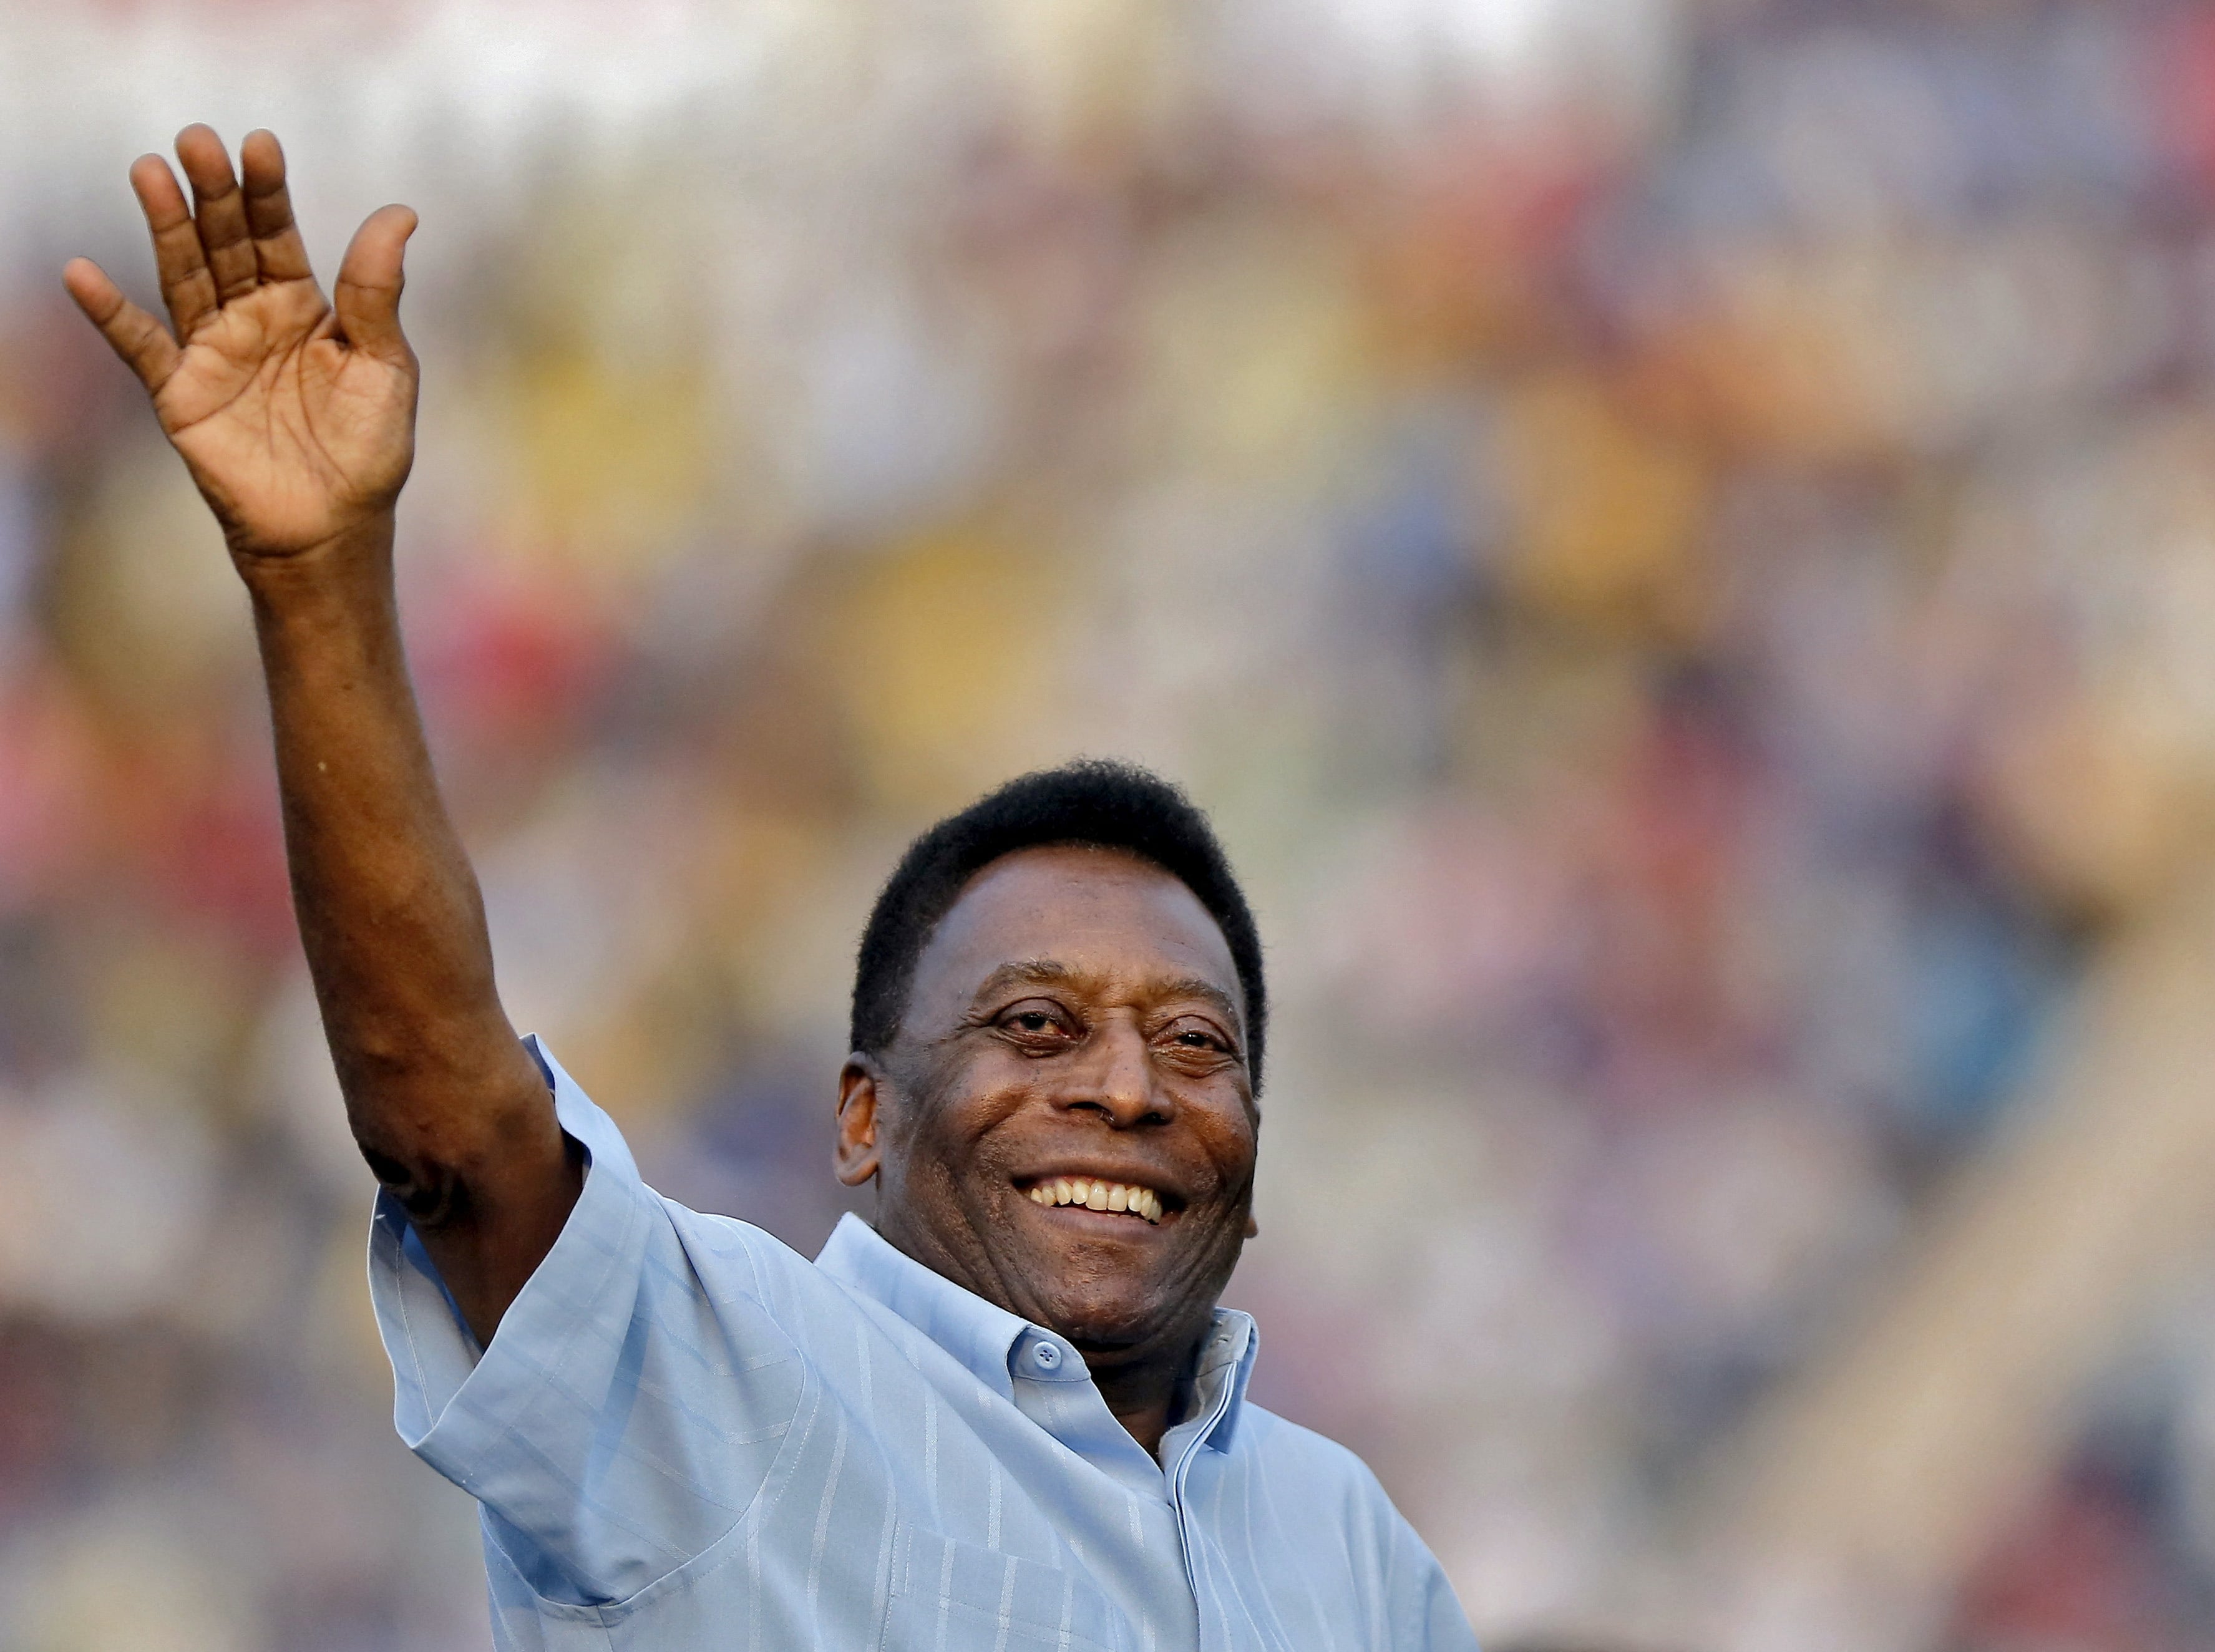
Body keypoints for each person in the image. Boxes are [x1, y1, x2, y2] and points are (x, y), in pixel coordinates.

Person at [65, 125, 1478, 1651]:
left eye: (1197, 1045)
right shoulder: (736, 1385)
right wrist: (318, 579)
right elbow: (455, 1131)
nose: (1130, 1087)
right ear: (864, 1116)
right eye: (1036, 1025)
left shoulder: (1349, 1544)